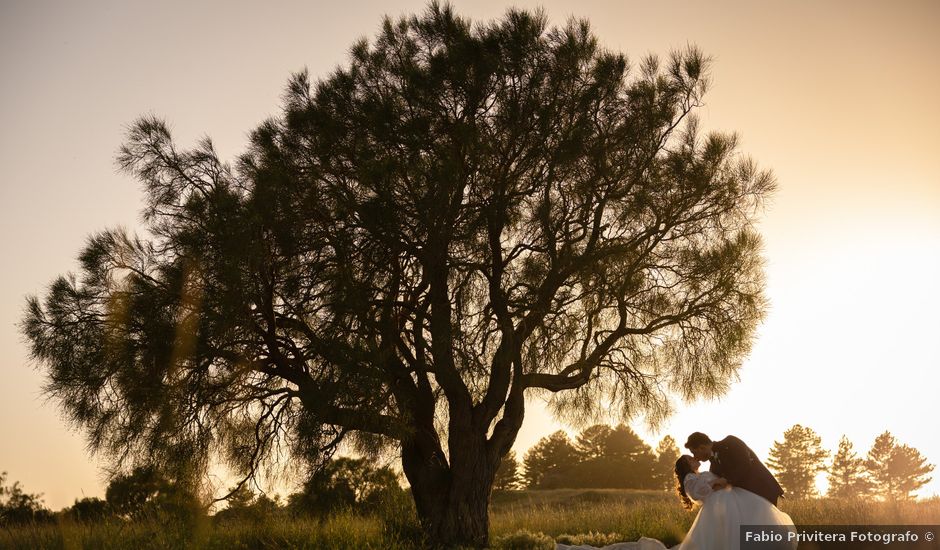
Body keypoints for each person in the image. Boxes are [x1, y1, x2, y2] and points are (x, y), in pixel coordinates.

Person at [684, 432, 784, 506]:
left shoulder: (730, 442)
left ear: (702, 447)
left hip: (762, 490)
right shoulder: (713, 466)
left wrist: (726, 480)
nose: (695, 457)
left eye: (694, 452)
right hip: (746, 500)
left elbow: (744, 464)